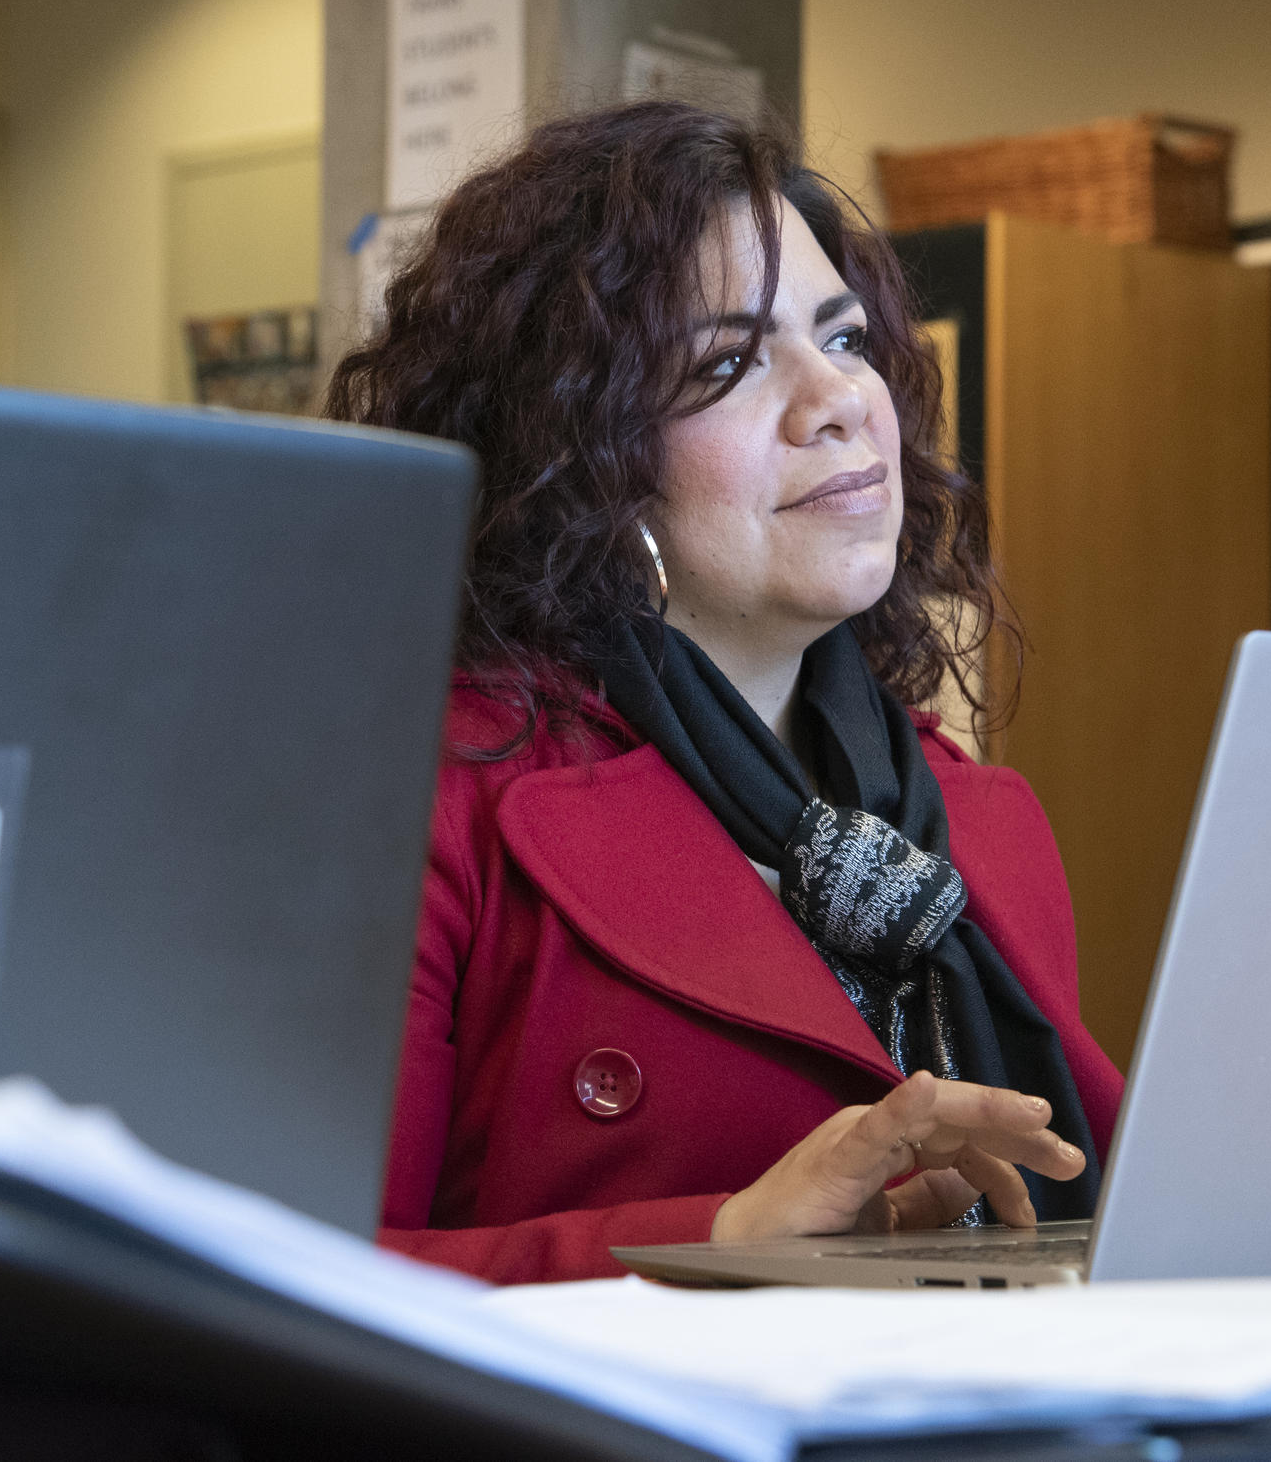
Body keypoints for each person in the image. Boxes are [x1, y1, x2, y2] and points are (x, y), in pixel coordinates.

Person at [327, 102, 1123, 1284]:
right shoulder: (420, 803)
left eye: (843, 339)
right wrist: (722, 1240)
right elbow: (281, 1286)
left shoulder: (979, 821)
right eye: (729, 363)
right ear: (583, 458)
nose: (839, 398)